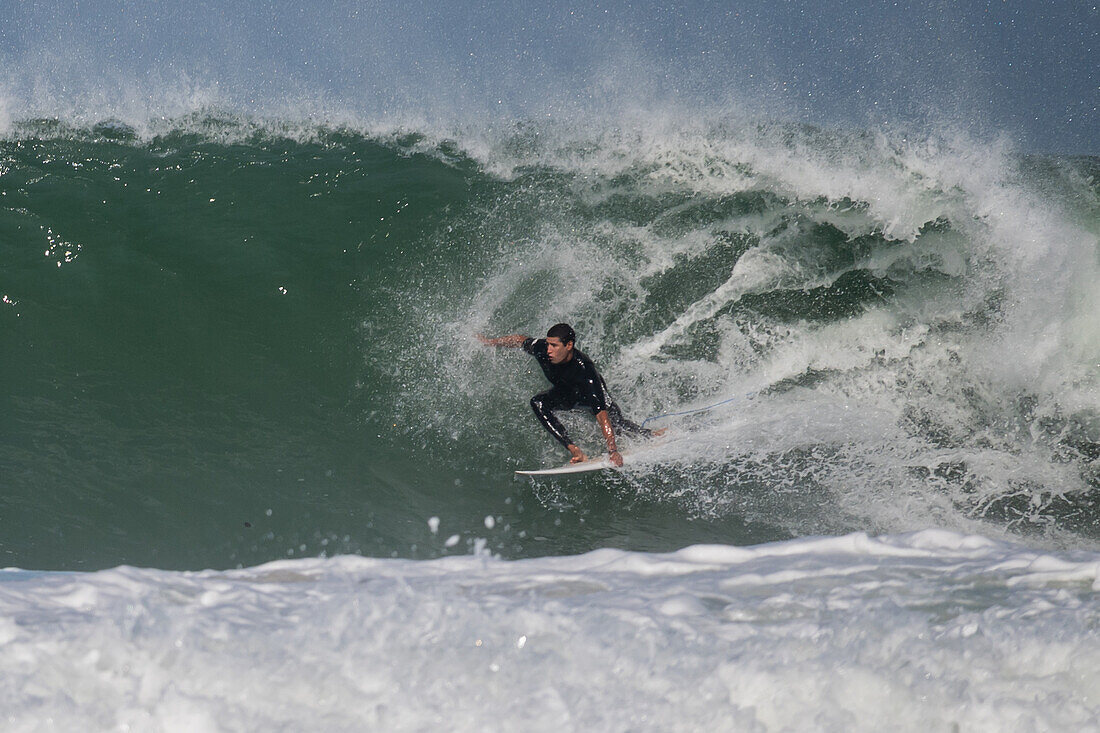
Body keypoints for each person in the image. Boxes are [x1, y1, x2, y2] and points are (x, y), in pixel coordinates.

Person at [478, 323, 658, 466]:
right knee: (538, 402)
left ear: (569, 345)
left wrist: (613, 452)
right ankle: (574, 450)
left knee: (616, 425)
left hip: (590, 394)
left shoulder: (585, 370)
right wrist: (490, 342)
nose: (548, 349)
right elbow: (520, 340)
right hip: (566, 393)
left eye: (554, 346)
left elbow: (601, 415)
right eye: (548, 344)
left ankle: (651, 435)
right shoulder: (542, 349)